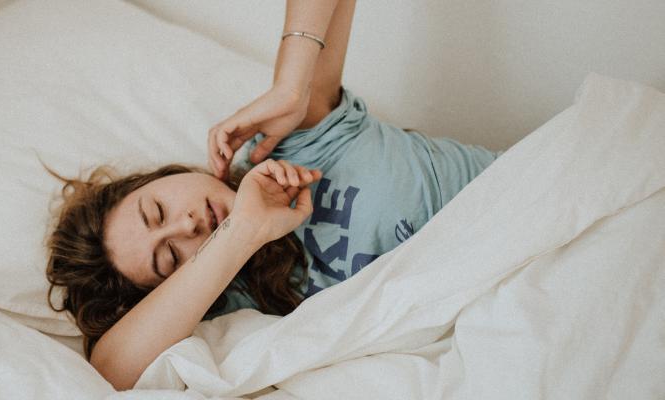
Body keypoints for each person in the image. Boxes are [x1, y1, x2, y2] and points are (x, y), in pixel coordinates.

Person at [45, 0, 499, 390]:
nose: (186, 227)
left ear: (165, 175)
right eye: (171, 259)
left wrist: (290, 84)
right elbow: (112, 371)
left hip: (522, 203)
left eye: (157, 210)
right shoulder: (240, 303)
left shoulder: (295, 140)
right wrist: (241, 232)